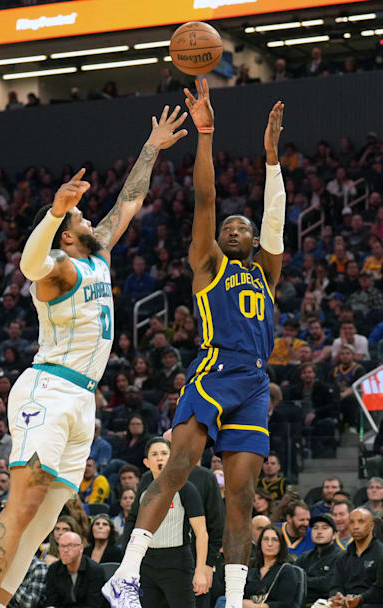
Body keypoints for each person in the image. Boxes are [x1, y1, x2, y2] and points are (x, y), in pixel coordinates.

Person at [0, 106, 188, 608]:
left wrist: (151, 147)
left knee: (48, 515)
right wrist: (53, 212)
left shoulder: (97, 255)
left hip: (82, 399)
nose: (91, 218)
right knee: (22, 504)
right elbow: (29, 264)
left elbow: (130, 201)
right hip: (48, 389)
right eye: (80, 218)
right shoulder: (59, 270)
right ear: (66, 235)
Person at [104, 88, 287, 608]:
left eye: (242, 228)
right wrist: (205, 135)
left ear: (253, 242)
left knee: (243, 496)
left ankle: (232, 598)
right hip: (214, 370)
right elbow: (205, 198)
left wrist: (272, 160)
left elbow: (275, 218)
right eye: (229, 226)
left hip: (254, 384)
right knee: (178, 470)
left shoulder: (266, 273)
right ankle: (128, 573)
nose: (234, 228)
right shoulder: (209, 265)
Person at [119, 437, 209, 608]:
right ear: (146, 462)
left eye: (164, 453)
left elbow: (202, 533)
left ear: (172, 457)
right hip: (147, 563)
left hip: (177, 563)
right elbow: (134, 524)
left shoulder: (186, 489)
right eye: (154, 454)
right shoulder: (144, 491)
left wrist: (200, 570)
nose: (159, 458)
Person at [328, 509, 383, 607]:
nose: (355, 527)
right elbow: (336, 585)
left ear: (371, 526)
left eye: (361, 522)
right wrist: (338, 596)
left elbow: (382, 591)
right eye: (352, 522)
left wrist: (358, 599)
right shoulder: (343, 556)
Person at [240, 526, 302, 608]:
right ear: (260, 543)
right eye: (266, 539)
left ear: (281, 544)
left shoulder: (287, 570)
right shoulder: (252, 567)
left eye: (275, 540)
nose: (270, 544)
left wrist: (257, 607)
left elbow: (286, 604)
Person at [43, 531, 106, 608]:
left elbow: (94, 604)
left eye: (70, 546)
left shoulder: (95, 570)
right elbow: (51, 600)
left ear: (81, 548)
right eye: (62, 546)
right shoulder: (53, 569)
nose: (65, 550)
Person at [297, 514, 344, 605]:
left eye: (324, 528)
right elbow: (292, 579)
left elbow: (328, 583)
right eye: (315, 528)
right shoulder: (305, 556)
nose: (319, 532)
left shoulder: (341, 556)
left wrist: (303, 581)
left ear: (334, 535)